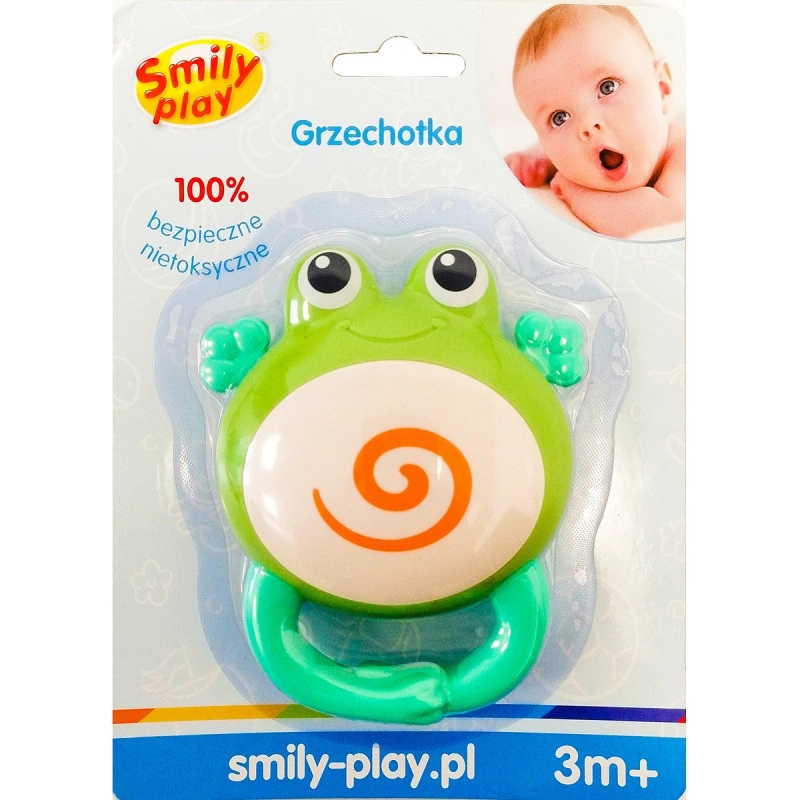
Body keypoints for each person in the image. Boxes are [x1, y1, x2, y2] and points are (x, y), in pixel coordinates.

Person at [505, 4, 685, 238]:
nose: (587, 125)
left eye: (607, 87)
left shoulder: (686, 152)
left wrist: (575, 193)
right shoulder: (599, 146)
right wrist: (538, 158)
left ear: (661, 89)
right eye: (559, 118)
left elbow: (666, 216)